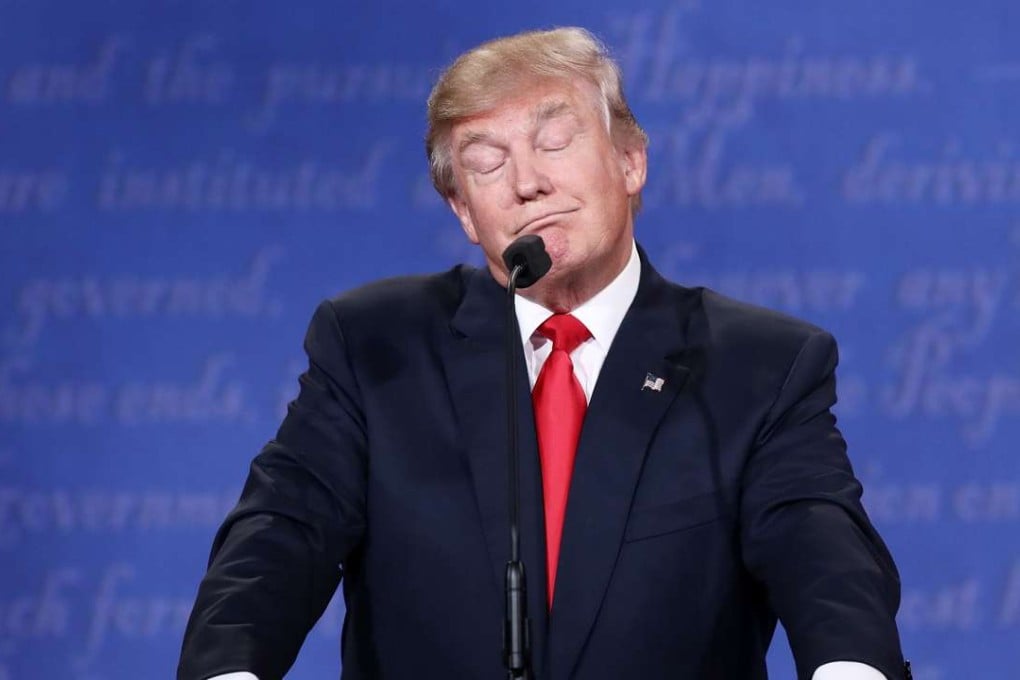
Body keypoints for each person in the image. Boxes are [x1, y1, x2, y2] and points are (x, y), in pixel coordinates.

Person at [178, 27, 908, 680]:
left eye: (554, 142)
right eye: (487, 162)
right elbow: (284, 530)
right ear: (464, 212)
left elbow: (822, 552)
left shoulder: (761, 365)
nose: (527, 183)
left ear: (630, 161)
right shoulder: (375, 345)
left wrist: (850, 667)